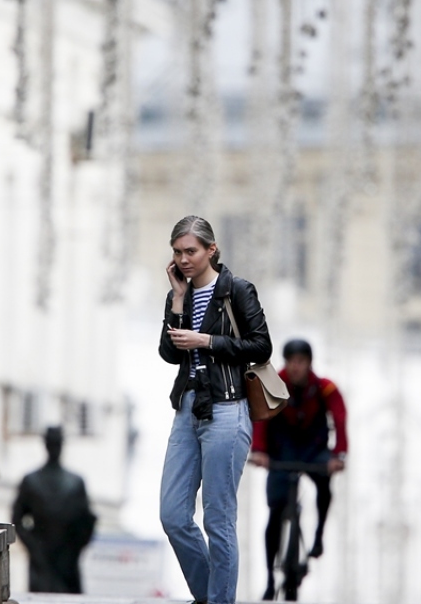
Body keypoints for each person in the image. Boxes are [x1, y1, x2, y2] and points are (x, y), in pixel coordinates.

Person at [158, 215, 272, 604]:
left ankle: (219, 600)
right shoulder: (179, 295)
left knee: (218, 520)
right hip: (187, 408)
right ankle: (210, 595)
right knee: (173, 515)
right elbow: (169, 353)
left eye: (190, 251)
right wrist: (176, 301)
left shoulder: (236, 290)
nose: (183, 259)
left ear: (211, 249)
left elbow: (261, 345)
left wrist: (207, 341)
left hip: (227, 408)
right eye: (177, 252)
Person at [248, 338, 348, 601]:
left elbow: (339, 418)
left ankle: (318, 535)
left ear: (310, 363)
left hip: (313, 449)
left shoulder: (326, 388)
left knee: (325, 483)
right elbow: (261, 418)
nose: (295, 367)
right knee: (274, 512)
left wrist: (339, 454)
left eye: (301, 362)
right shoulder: (273, 384)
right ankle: (270, 579)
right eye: (291, 361)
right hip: (282, 451)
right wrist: (259, 450)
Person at [11, 426, 97, 593]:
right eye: (52, 443)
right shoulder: (31, 481)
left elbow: (86, 521)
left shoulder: (75, 483)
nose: (54, 447)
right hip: (41, 557)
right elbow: (17, 520)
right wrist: (33, 547)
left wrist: (76, 548)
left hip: (67, 560)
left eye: (57, 443)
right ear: (45, 445)